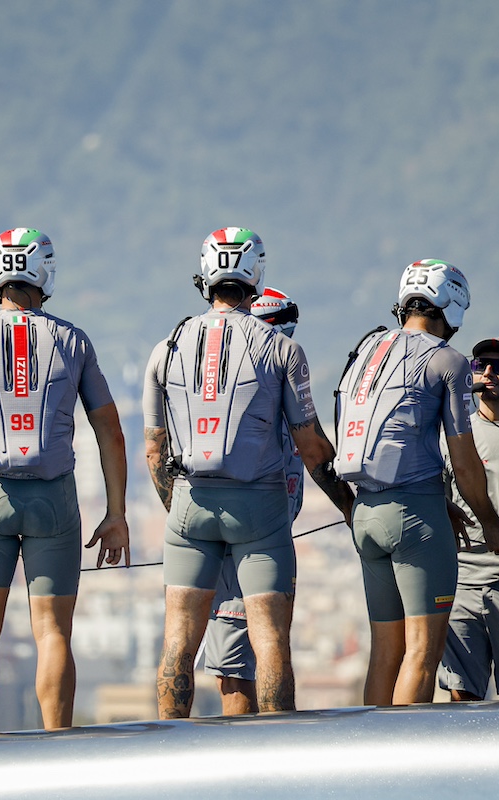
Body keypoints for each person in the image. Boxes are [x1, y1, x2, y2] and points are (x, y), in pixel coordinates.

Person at [0, 228, 129, 735]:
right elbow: (111, 433)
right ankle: (57, 747)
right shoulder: (74, 341)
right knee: (53, 633)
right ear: (45, 274)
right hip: (54, 498)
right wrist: (116, 514)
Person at [144, 229, 354, 718]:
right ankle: (278, 755)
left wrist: (176, 509)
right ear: (255, 275)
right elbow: (310, 446)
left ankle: (170, 757)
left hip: (190, 501)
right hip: (259, 505)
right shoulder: (281, 348)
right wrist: (348, 505)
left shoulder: (167, 347)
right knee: (270, 639)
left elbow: (155, 451)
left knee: (178, 639)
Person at [332, 259, 499, 706]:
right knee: (422, 652)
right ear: (450, 306)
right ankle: (402, 767)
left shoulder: (369, 349)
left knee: (385, 655)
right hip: (414, 518)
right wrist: (490, 522)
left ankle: (372, 758)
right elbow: (465, 458)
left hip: (366, 513)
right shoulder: (447, 360)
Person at [197, 287, 305, 715]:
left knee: (239, 668)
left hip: (234, 537)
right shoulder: (286, 385)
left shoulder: (233, 394)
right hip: (270, 537)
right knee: (263, 658)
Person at [437, 337, 499, 701]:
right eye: (480, 365)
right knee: (461, 698)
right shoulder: (453, 435)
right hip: (462, 584)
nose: (489, 372)